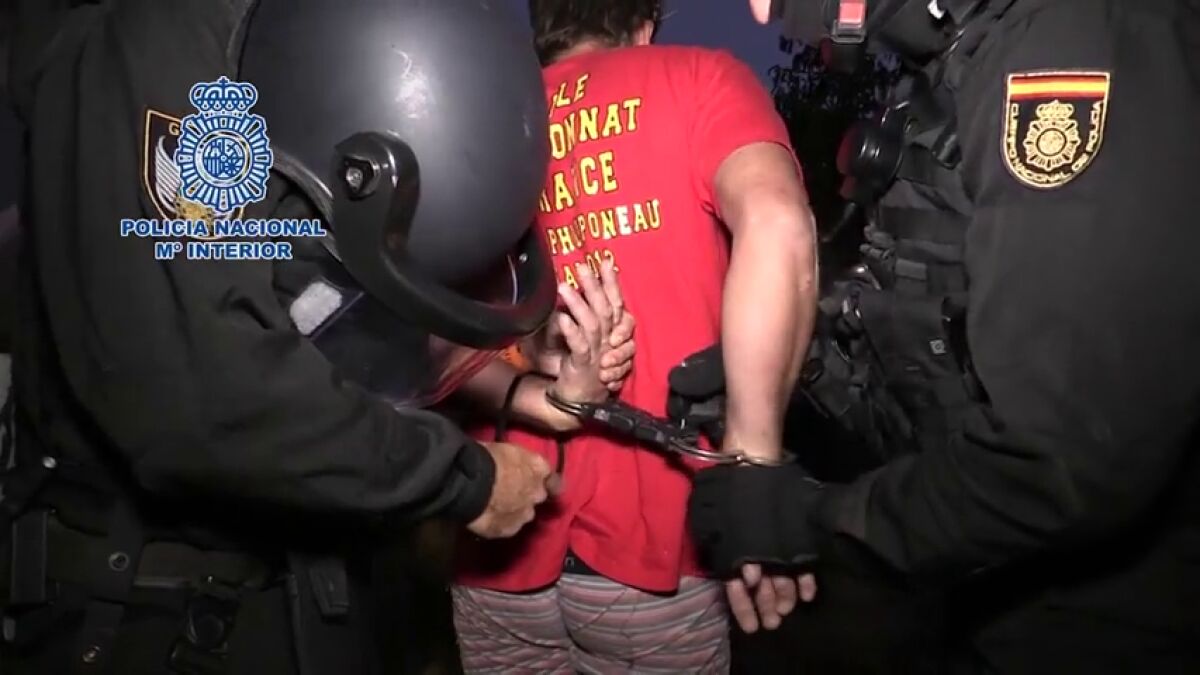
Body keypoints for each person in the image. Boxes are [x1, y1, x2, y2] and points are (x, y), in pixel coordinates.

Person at [0, 0, 633, 672]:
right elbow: (199, 392)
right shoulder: (158, 32)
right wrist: (464, 479)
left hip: (301, 586)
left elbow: (332, 315)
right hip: (149, 611)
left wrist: (532, 389)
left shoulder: (297, 24)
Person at [689, 0, 1200, 672]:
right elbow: (935, 390)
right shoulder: (957, 69)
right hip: (988, 609)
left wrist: (815, 519)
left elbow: (1067, 455)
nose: (761, 13)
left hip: (1115, 630)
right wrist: (792, 365)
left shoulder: (1074, 40)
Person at [450, 1, 820, 672]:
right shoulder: (701, 77)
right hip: (652, 551)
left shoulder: (484, 119)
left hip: (496, 532)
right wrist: (753, 467)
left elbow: (439, 325)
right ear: (643, 24)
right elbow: (776, 220)